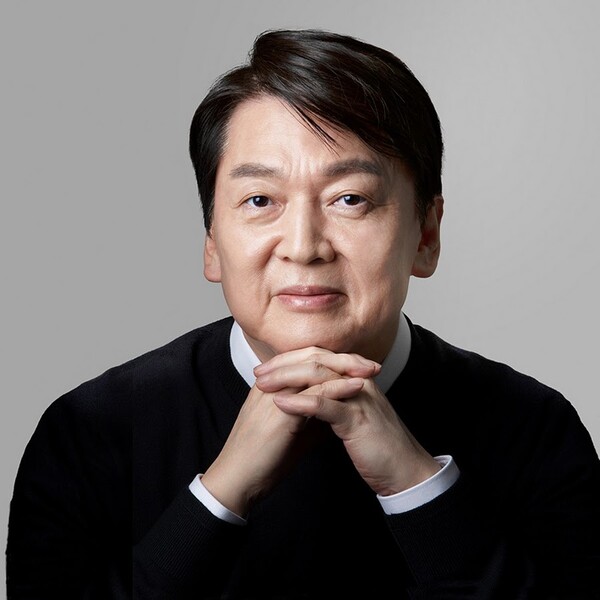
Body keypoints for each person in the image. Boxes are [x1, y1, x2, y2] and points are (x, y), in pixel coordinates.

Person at [6, 28, 600, 600]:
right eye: (259, 200)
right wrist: (219, 495)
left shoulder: (535, 429)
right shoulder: (90, 432)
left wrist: (415, 485)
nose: (304, 246)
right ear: (212, 243)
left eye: (350, 199)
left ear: (426, 234)